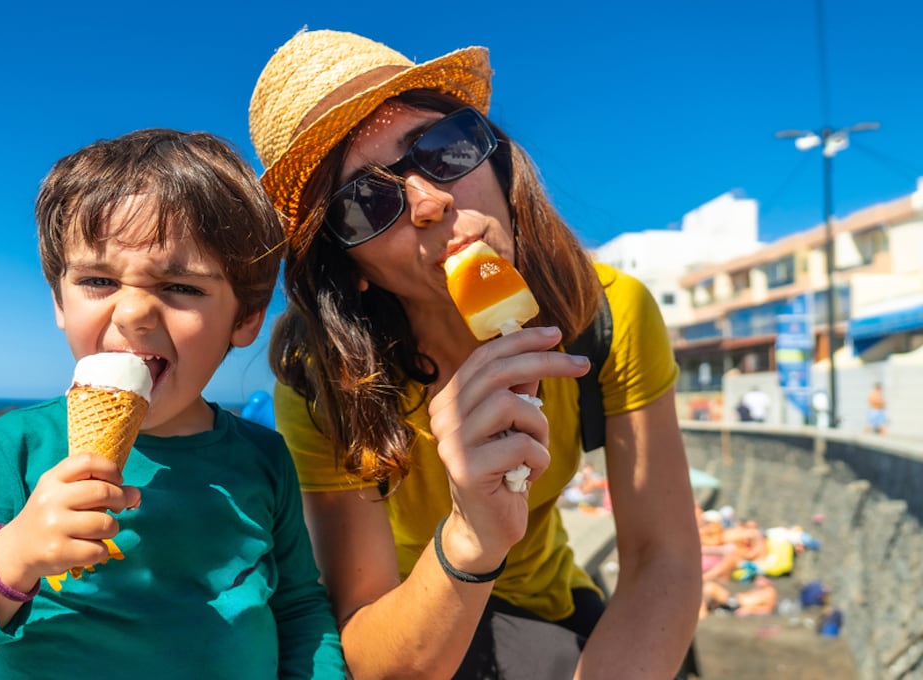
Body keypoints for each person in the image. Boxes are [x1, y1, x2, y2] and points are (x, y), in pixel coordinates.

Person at [247, 29, 701, 679]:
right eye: (365, 203)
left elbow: (665, 557)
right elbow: (370, 644)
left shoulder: (606, 313)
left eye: (441, 148)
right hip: (416, 615)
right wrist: (471, 532)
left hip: (549, 610)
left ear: (495, 158)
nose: (428, 203)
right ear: (352, 270)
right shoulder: (325, 384)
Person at [0, 130, 345, 679]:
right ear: (59, 299)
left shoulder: (263, 459)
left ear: (245, 317)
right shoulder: (17, 449)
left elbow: (298, 610)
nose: (133, 314)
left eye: (181, 287)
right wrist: (12, 557)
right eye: (98, 280)